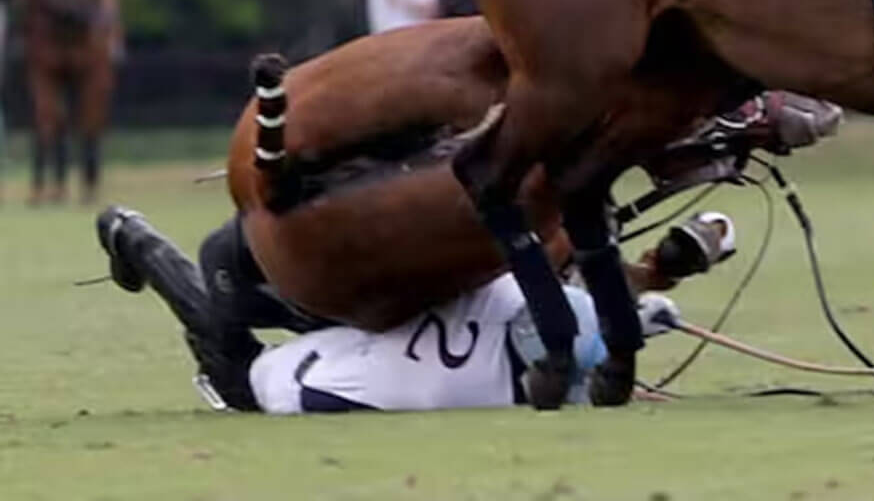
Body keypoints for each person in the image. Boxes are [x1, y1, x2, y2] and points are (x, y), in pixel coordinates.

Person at [95, 204, 735, 413]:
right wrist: (643, 317)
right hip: (320, 362)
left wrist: (642, 314)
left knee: (246, 366)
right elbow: (581, 349)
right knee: (246, 371)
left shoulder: (511, 298)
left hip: (326, 358)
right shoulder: (523, 344)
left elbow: (570, 320)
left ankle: (133, 238)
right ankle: (133, 238)